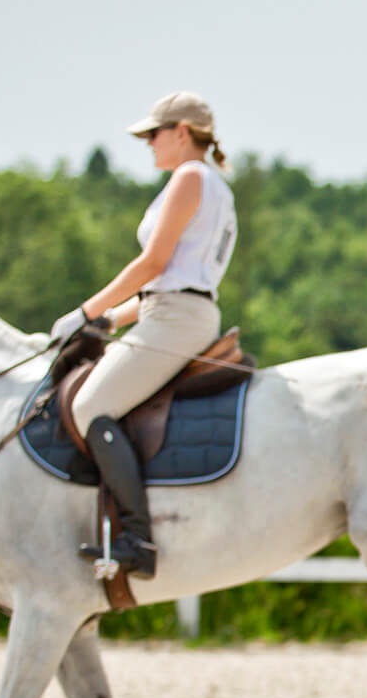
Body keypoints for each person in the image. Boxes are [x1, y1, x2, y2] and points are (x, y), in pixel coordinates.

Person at [48, 91, 238, 579]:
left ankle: (136, 537)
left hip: (175, 317)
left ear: (181, 132)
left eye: (154, 134)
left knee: (91, 406)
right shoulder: (215, 185)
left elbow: (153, 264)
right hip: (178, 311)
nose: (149, 143)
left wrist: (86, 310)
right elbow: (174, 280)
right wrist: (111, 321)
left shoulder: (190, 176)